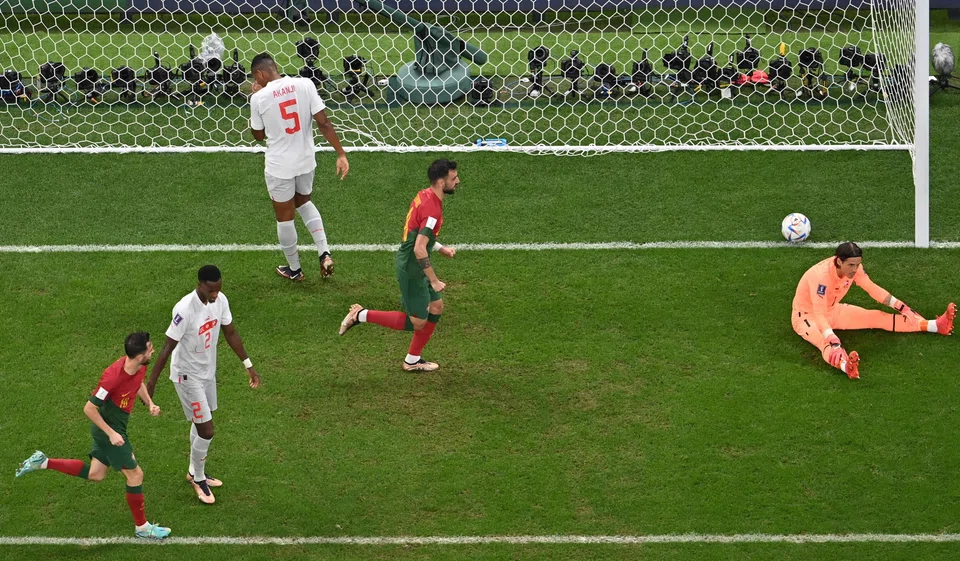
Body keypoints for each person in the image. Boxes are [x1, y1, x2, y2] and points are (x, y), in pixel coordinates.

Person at [16, 332, 171, 540]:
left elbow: (139, 382)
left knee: (96, 474)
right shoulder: (112, 377)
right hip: (108, 430)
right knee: (136, 475)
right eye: (150, 348)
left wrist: (149, 403)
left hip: (115, 428)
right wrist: (111, 433)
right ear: (139, 355)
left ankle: (43, 462)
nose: (153, 349)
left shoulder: (139, 366)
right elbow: (89, 409)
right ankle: (142, 528)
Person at [147, 265, 260, 504]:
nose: (215, 295)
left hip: (207, 372)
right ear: (200, 284)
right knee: (207, 429)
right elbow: (167, 347)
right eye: (211, 290)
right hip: (187, 376)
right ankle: (198, 479)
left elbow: (230, 332)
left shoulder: (220, 301)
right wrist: (151, 384)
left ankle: (193, 471)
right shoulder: (184, 309)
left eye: (218, 289)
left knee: (201, 423)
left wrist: (248, 364)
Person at [339, 159, 459, 372]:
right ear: (441, 182)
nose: (457, 181)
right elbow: (419, 249)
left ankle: (412, 360)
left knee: (436, 306)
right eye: (453, 178)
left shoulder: (424, 195)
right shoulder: (433, 210)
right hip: (412, 268)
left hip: (412, 262)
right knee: (418, 322)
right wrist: (434, 280)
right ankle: (361, 315)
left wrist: (439, 248)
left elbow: (419, 232)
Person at [249, 52, 350, 282]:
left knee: (285, 216)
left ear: (259, 74)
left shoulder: (259, 97)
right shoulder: (305, 84)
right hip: (306, 161)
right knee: (304, 201)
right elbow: (323, 122)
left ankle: (294, 269)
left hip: (280, 166)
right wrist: (340, 153)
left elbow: (258, 135)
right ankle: (324, 252)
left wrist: (256, 96)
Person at [792, 242, 955, 379]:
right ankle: (845, 367)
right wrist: (832, 338)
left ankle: (935, 325)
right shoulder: (820, 277)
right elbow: (819, 314)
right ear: (838, 262)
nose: (855, 270)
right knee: (826, 343)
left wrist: (901, 306)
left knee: (876, 317)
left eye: (857, 264)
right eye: (851, 265)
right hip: (807, 317)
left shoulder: (854, 268)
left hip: (832, 310)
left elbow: (871, 288)